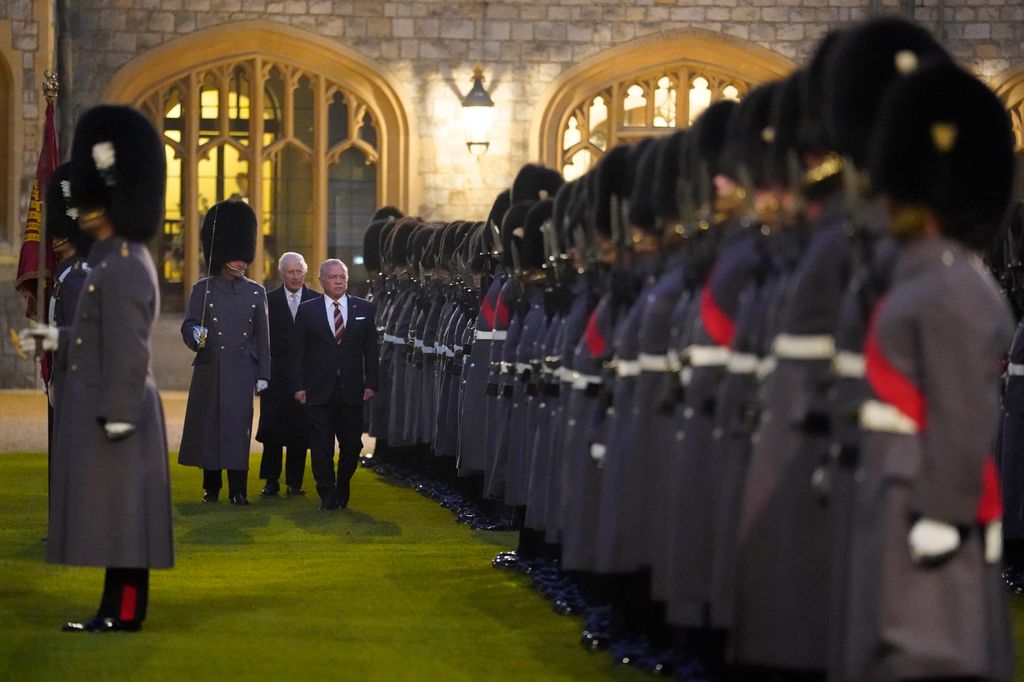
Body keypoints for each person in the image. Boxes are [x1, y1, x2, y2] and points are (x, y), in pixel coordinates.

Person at [21, 105, 174, 632]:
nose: (83, 211)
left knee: (126, 521)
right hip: (110, 406)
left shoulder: (126, 263)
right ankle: (112, 608)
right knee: (115, 519)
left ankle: (126, 613)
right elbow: (90, 336)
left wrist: (116, 414)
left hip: (120, 409)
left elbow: (129, 350)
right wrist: (49, 336)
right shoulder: (110, 259)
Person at [178, 199, 271, 505]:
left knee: (237, 429)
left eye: (244, 257)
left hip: (241, 369)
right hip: (211, 367)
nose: (241, 262)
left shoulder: (256, 292)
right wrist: (196, 334)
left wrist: (263, 375)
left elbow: (263, 339)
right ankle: (211, 487)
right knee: (210, 427)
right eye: (235, 256)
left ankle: (238, 490)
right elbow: (189, 324)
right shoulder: (202, 290)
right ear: (222, 256)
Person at [292, 259, 379, 510]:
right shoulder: (308, 311)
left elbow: (371, 350)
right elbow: (297, 352)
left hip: (352, 391)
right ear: (321, 281)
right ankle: (327, 495)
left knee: (352, 445)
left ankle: (342, 486)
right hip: (318, 391)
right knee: (321, 448)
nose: (339, 281)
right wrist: (298, 386)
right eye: (333, 277)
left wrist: (372, 383)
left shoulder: (364, 308)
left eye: (343, 277)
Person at [256, 251, 319, 496]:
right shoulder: (267, 301)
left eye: (299, 271)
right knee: (272, 431)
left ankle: (295, 482)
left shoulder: (316, 300)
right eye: (291, 272)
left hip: (304, 378)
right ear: (282, 274)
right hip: (275, 377)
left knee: (300, 432)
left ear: (305, 272)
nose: (295, 276)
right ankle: (271, 481)